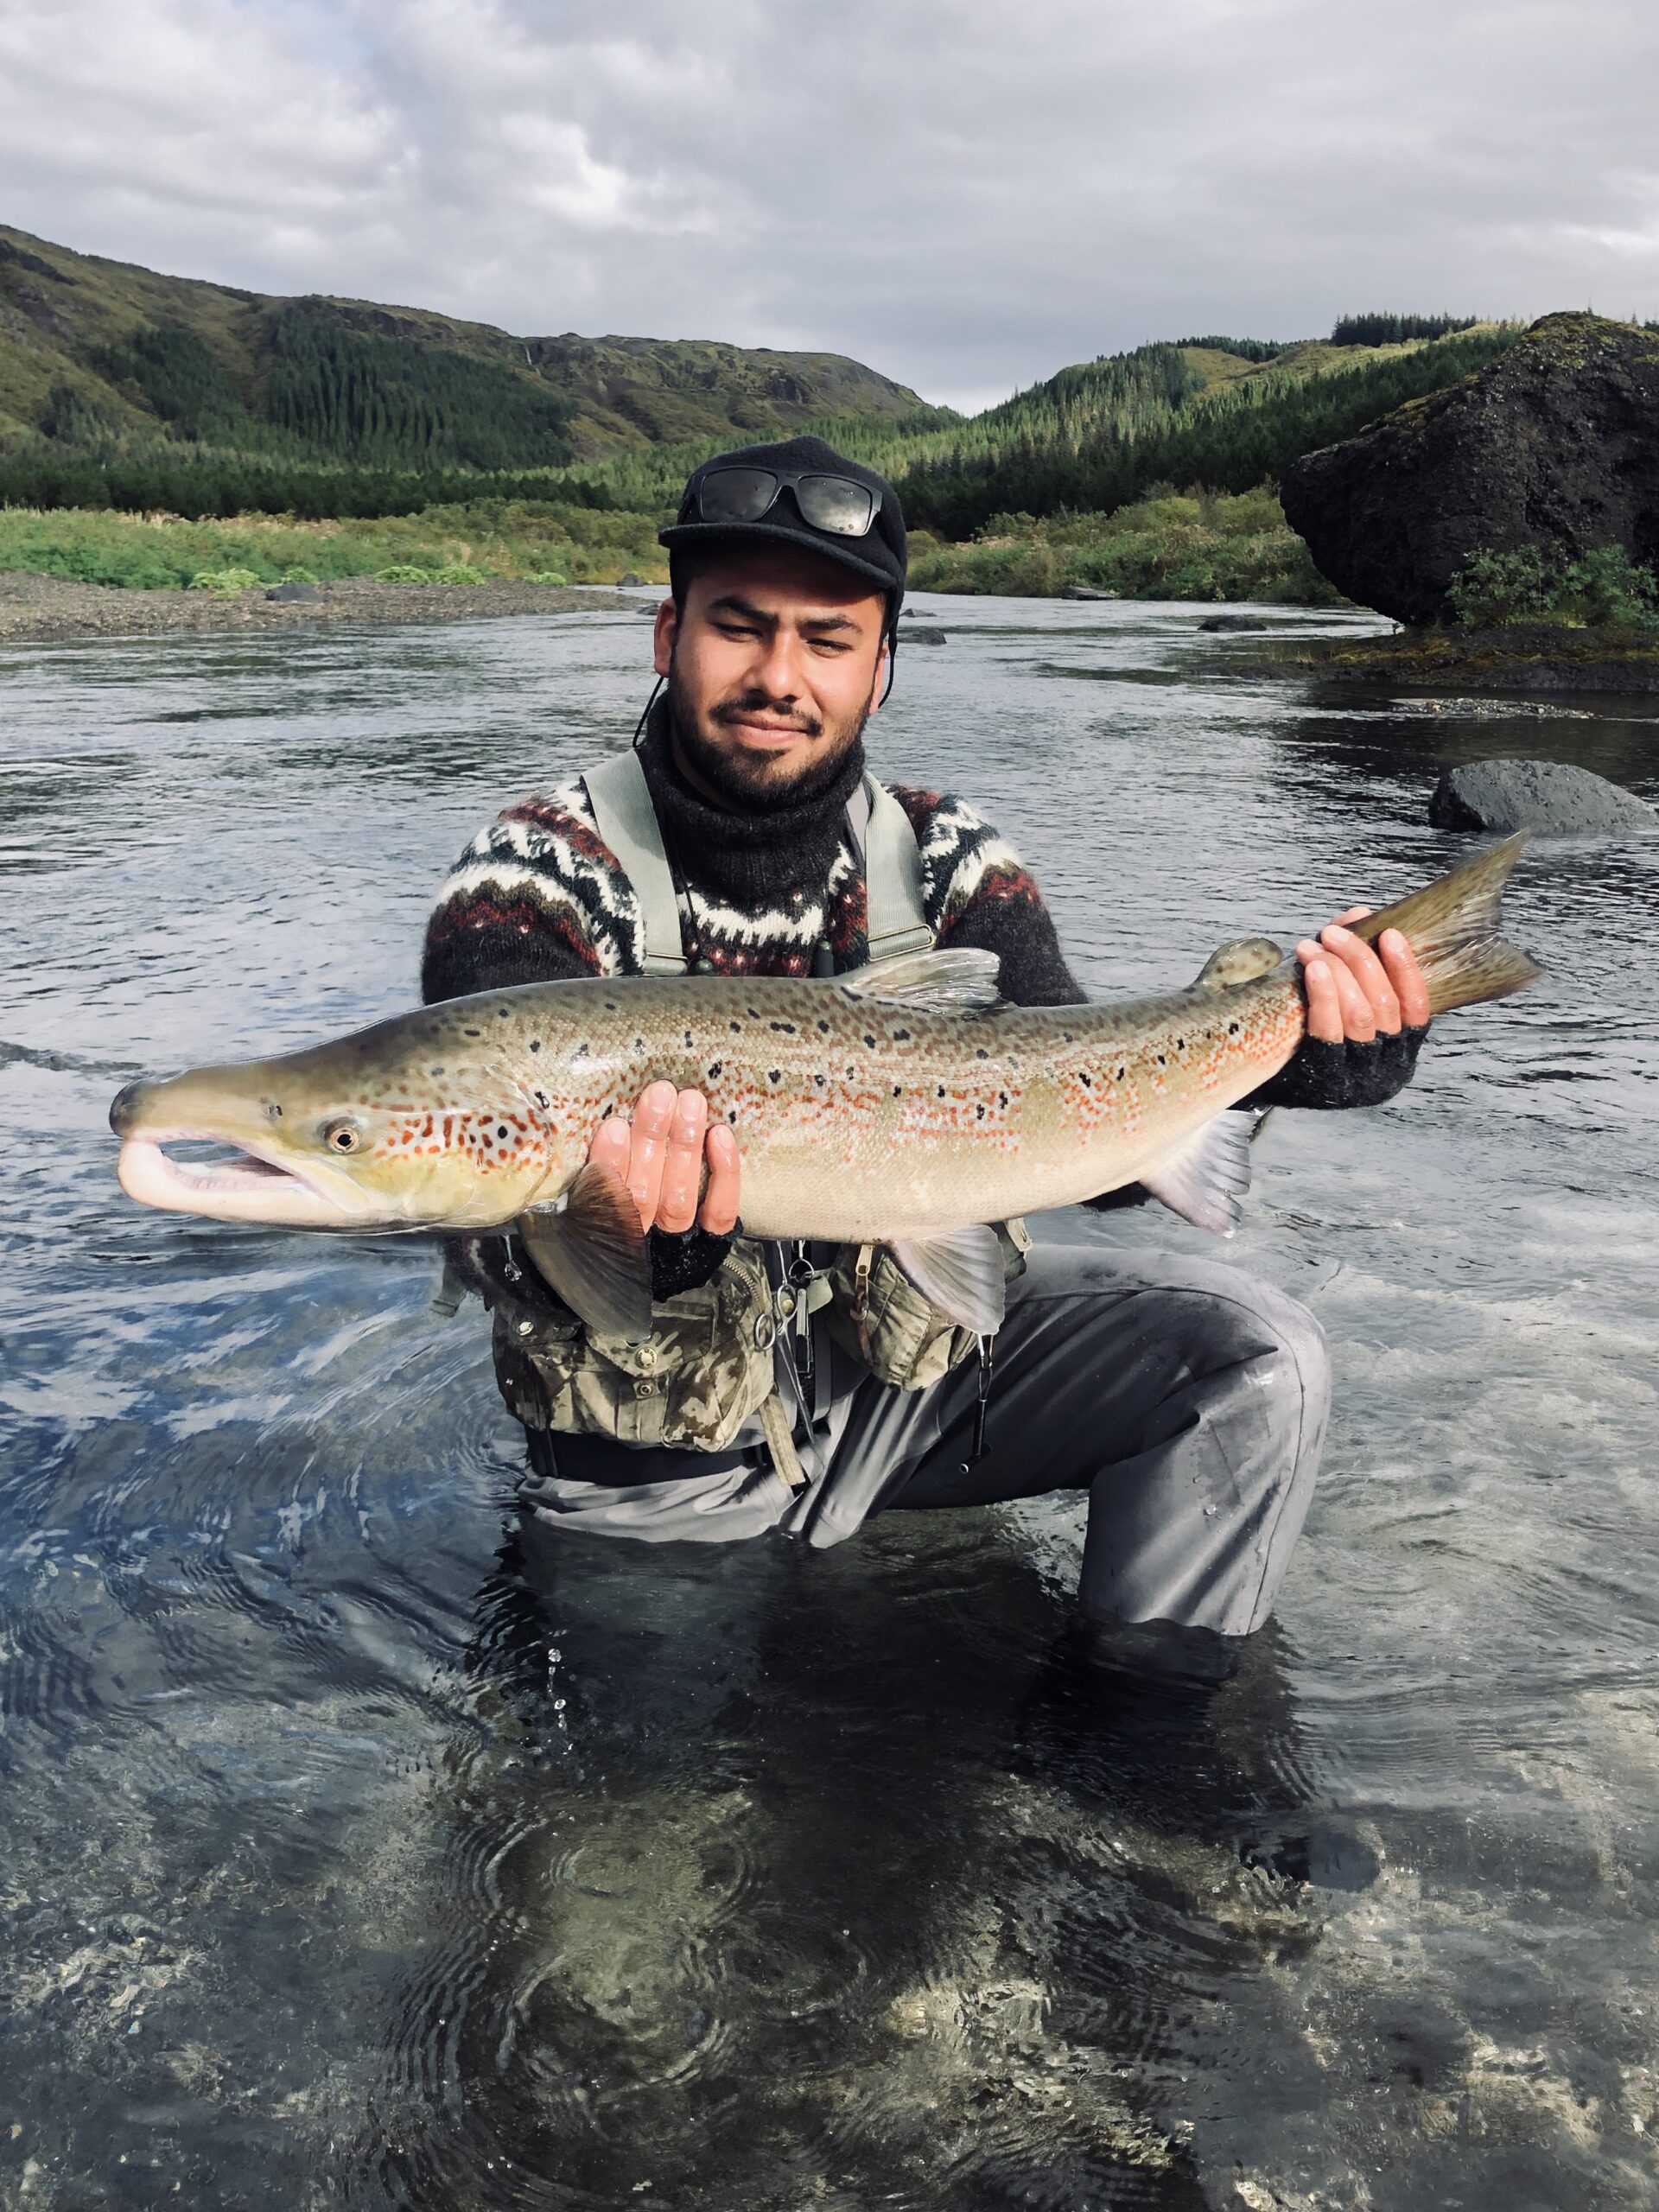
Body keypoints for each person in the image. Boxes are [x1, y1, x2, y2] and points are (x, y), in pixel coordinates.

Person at [422, 436, 1429, 1669]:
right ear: (665, 635)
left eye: (828, 640)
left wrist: (1290, 1059)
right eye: (739, 627)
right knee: (648, 1825)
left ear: (882, 669)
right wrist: (638, 1245)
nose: (778, 673)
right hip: (656, 1460)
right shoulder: (534, 872)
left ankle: (1146, 1741)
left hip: (921, 1391)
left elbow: (1087, 1143)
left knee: (1254, 1359)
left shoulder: (953, 860)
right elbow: (479, 1224)